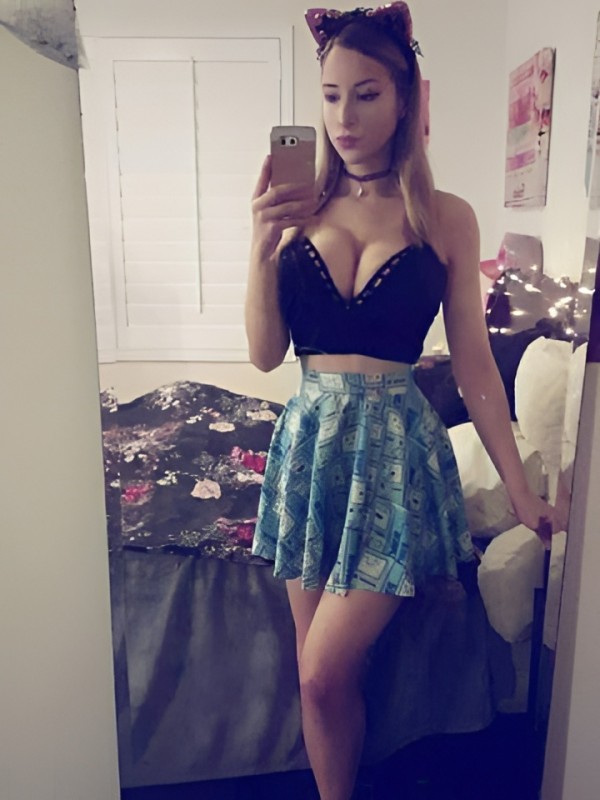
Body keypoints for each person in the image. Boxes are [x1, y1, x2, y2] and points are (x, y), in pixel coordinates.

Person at [245, 4, 555, 799]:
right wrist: (259, 246)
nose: (344, 118)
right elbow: (266, 353)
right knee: (321, 680)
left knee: (321, 672)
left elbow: (476, 366)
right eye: (330, 96)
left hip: (393, 459)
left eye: (367, 94)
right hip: (311, 446)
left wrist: (521, 491)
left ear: (407, 97)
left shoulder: (446, 217)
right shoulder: (297, 211)